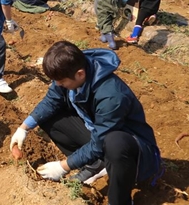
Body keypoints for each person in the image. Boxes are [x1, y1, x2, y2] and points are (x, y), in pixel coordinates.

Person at [9, 41, 161, 204]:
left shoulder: (111, 96)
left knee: (114, 143)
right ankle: (96, 165)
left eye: (61, 82)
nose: (58, 85)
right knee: (49, 117)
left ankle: (120, 201)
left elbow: (100, 142)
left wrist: (63, 166)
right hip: (99, 134)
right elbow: (51, 101)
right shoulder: (69, 70)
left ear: (80, 74)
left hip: (132, 150)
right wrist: (23, 128)